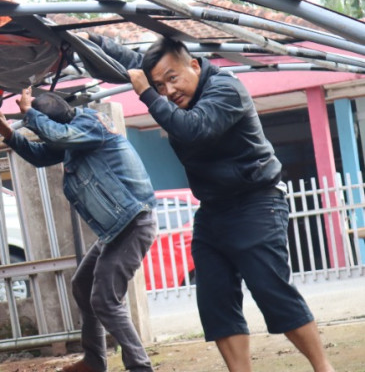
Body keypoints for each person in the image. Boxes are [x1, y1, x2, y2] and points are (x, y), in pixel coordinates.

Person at [93, 34, 334, 372]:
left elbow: (195, 129)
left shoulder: (225, 89)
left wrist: (148, 94)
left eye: (172, 79)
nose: (168, 91)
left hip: (257, 202)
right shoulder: (166, 79)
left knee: (271, 291)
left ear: (193, 64)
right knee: (215, 300)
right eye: (160, 85)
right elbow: (130, 61)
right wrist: (90, 41)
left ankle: (324, 368)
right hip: (212, 209)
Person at [0, 88, 157, 372]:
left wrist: (28, 114)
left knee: (105, 299)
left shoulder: (90, 123)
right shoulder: (73, 136)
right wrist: (9, 133)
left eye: (44, 127)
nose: (45, 133)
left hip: (133, 223)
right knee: (83, 284)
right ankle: (94, 361)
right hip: (117, 229)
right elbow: (42, 154)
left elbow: (57, 137)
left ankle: (140, 366)